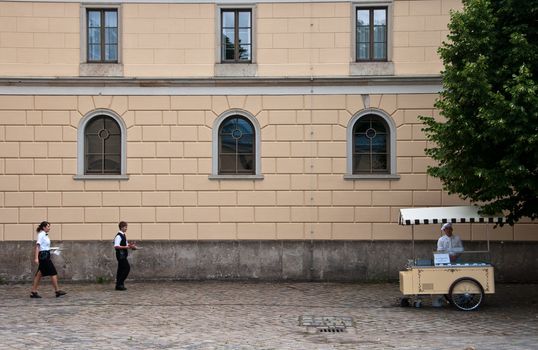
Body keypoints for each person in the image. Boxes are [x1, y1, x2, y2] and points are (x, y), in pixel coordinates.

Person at [30, 221, 67, 298]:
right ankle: (57, 291)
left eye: (49, 226)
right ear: (44, 227)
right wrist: (36, 258)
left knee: (39, 274)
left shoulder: (45, 235)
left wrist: (53, 250)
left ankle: (33, 292)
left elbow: (45, 247)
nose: (49, 228)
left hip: (46, 254)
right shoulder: (41, 235)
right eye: (48, 226)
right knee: (53, 272)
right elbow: (38, 246)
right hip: (43, 256)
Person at [114, 221, 136, 291]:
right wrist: (126, 247)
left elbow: (125, 244)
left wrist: (131, 246)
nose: (126, 228)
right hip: (121, 255)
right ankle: (120, 283)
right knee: (127, 268)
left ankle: (119, 285)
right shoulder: (118, 236)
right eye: (125, 227)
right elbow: (116, 246)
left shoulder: (123, 235)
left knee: (120, 270)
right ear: (121, 227)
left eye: (126, 227)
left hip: (123, 255)